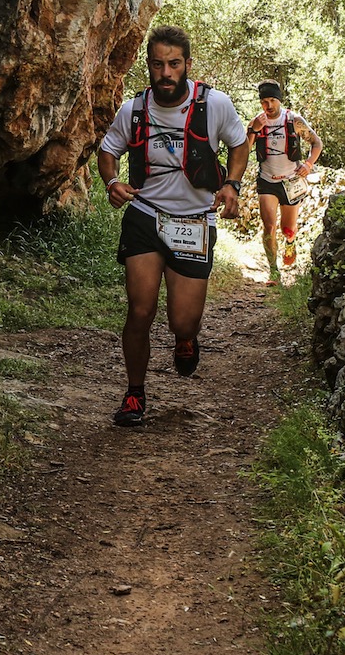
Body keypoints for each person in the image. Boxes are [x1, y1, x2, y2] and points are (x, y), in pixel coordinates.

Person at [95, 25, 250, 427]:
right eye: (158, 64)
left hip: (194, 221)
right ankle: (134, 393)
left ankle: (185, 338)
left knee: (183, 320)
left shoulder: (214, 104)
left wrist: (232, 183)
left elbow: (239, 143)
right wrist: (112, 182)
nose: (166, 73)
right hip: (145, 215)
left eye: (174, 64)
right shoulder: (133, 109)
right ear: (148, 65)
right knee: (140, 310)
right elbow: (108, 151)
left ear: (187, 65)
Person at [247, 81, 322, 283]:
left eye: (272, 100)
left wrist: (308, 164)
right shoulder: (256, 122)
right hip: (267, 181)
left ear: (279, 100)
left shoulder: (294, 120)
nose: (269, 106)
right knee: (269, 227)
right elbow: (243, 150)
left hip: (291, 181)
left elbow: (317, 143)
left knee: (287, 228)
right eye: (264, 101)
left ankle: (290, 241)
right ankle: (273, 271)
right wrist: (254, 130)